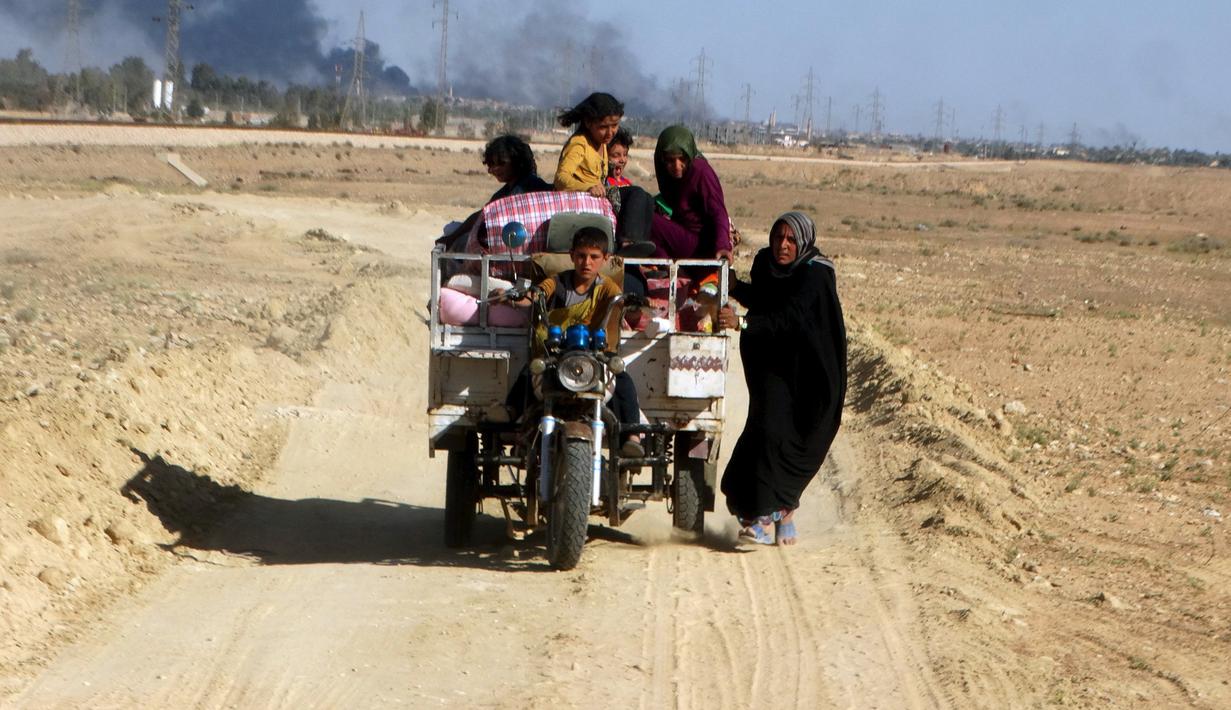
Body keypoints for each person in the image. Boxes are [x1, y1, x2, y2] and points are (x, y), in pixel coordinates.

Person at [716, 211, 846, 545]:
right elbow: (765, 301)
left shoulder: (816, 274)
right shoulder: (765, 263)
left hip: (810, 372)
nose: (782, 245)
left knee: (795, 439)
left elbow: (791, 318)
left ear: (803, 242)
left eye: (790, 239)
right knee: (766, 432)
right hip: (771, 365)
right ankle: (763, 516)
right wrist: (736, 288)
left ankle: (781, 511)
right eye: (778, 237)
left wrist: (742, 323)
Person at [508, 226, 644, 456]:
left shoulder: (606, 287)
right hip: (557, 352)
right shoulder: (557, 282)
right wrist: (517, 298)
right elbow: (537, 294)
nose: (586, 263)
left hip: (595, 354)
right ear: (572, 256)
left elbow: (621, 302)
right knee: (532, 370)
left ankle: (632, 436)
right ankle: (513, 416)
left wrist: (634, 304)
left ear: (605, 259)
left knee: (622, 378)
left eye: (594, 257)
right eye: (581, 256)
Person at [650, 125, 733, 261]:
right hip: (684, 237)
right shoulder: (672, 179)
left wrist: (723, 246)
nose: (677, 166)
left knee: (646, 218)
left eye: (682, 159)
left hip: (700, 246)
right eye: (670, 160)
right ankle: (664, 265)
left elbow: (718, 211)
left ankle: (666, 266)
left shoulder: (700, 171)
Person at [554, 92, 624, 197]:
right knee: (636, 193)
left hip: (599, 199)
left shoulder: (602, 143)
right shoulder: (579, 144)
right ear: (588, 122)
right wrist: (588, 187)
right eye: (603, 127)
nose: (610, 133)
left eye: (614, 126)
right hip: (581, 201)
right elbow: (560, 178)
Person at [483, 134, 551, 204]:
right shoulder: (500, 195)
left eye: (501, 163)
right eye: (491, 164)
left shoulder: (533, 187)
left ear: (516, 161)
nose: (495, 169)